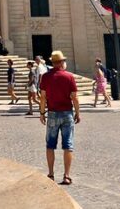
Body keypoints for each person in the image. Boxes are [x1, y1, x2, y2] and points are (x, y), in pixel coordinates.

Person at [39, 50, 80, 186]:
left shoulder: (45, 77)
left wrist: (41, 112)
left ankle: (50, 174)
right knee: (68, 145)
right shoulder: (69, 77)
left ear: (52, 62)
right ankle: (66, 176)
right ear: (62, 62)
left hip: (52, 114)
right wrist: (77, 113)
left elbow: (43, 97)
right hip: (67, 113)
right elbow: (74, 98)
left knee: (50, 145)